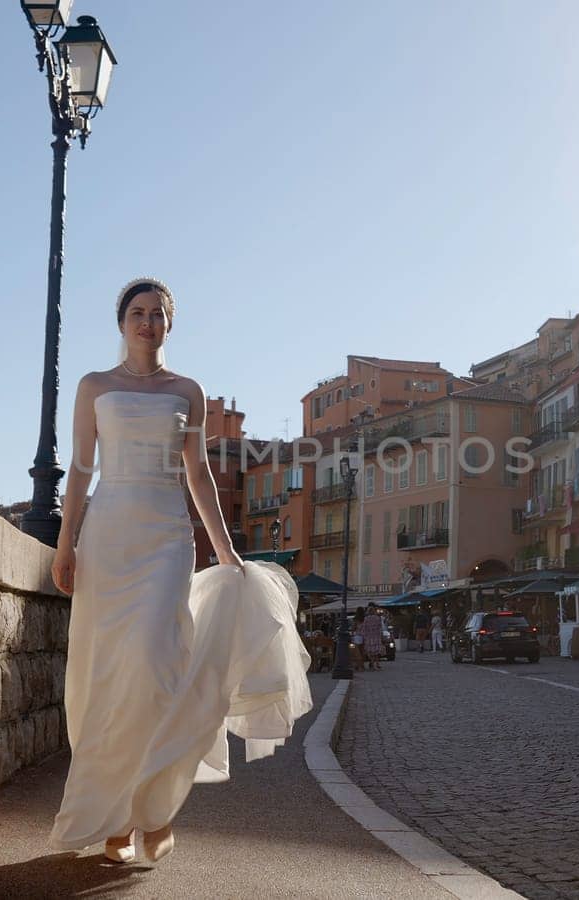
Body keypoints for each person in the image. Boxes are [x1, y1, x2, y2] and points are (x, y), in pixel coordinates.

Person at [48, 278, 313, 865]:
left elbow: (198, 476)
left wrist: (226, 552)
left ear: (171, 323)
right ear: (121, 323)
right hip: (109, 536)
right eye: (137, 313)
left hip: (167, 538)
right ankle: (116, 821)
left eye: (157, 314)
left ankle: (156, 809)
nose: (147, 323)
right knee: (108, 679)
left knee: (156, 664)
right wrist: (65, 545)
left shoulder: (187, 392)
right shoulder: (95, 387)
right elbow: (81, 472)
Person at [360, 605, 386, 670]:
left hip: (369, 637)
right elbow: (380, 627)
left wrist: (363, 636)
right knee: (376, 652)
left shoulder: (366, 619)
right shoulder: (378, 618)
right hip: (376, 636)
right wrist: (381, 635)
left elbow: (364, 628)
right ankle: (377, 664)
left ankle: (372, 664)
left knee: (371, 652)